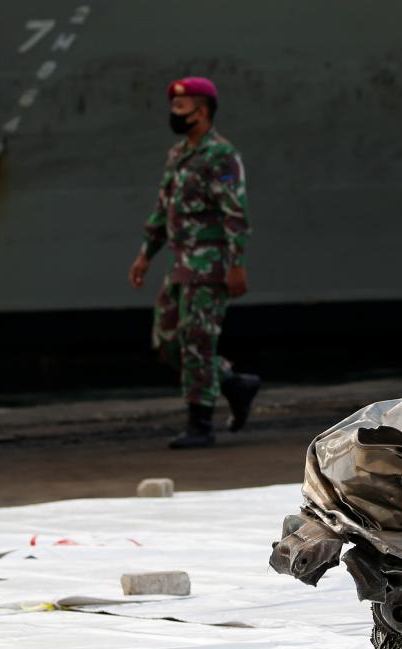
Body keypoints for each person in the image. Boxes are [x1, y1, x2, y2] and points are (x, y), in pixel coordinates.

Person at [128, 76, 260, 449]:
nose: (175, 113)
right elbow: (162, 210)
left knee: (197, 340)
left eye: (182, 108)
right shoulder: (177, 155)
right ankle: (233, 383)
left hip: (211, 264)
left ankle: (200, 424)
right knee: (167, 340)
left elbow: (236, 213)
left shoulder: (222, 155)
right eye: (174, 107)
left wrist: (236, 263)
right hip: (181, 263)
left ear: (202, 112)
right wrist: (145, 254)